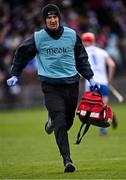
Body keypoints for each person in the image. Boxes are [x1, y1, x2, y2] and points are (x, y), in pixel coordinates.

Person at [7, 4, 98, 173]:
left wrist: (90, 78)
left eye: (55, 17)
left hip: (71, 84)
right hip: (50, 86)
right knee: (60, 122)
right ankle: (67, 160)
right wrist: (15, 74)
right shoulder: (38, 37)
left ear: (59, 18)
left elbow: (81, 58)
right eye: (49, 17)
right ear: (45, 20)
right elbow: (22, 53)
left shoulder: (71, 35)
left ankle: (52, 122)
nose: (52, 20)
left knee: (68, 121)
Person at [81, 32, 117, 135]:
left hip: (91, 83)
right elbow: (112, 65)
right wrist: (109, 80)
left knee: (90, 107)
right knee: (103, 106)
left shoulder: (82, 52)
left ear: (84, 41)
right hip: (103, 83)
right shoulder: (102, 52)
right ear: (93, 41)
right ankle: (104, 126)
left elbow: (82, 70)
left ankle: (88, 126)